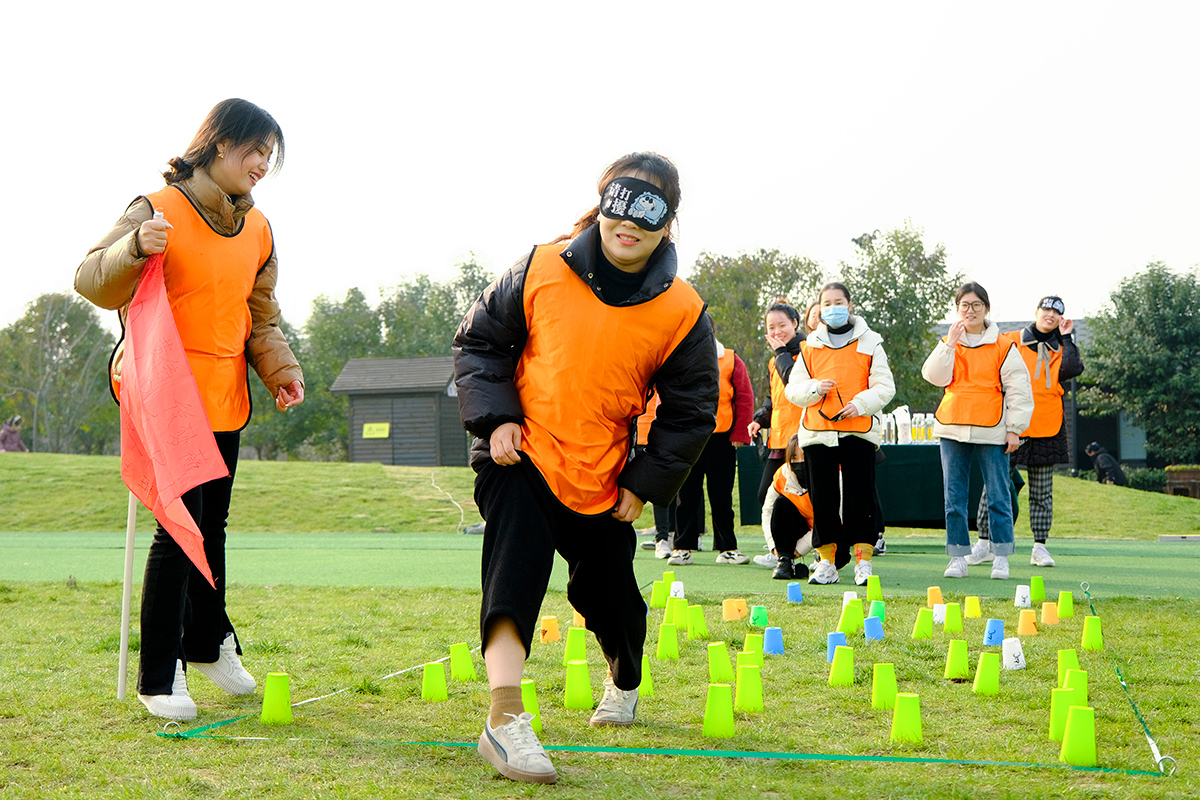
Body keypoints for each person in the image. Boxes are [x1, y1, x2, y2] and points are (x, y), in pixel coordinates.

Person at [453, 152, 718, 785]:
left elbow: (691, 411)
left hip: (604, 476)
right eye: (619, 203)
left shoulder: (683, 310)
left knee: (609, 595)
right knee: (514, 565)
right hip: (521, 454)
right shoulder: (541, 266)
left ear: (668, 225)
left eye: (649, 211)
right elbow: (479, 343)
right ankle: (505, 718)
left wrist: (646, 483)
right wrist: (497, 420)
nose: (629, 222)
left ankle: (625, 675)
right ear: (601, 204)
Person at [75, 99, 304, 721]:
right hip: (162, 386)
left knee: (212, 528)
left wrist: (281, 371)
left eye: (269, 156)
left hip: (224, 392)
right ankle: (159, 674)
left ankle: (207, 644)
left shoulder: (259, 229)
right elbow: (91, 280)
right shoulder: (156, 208)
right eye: (254, 150)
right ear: (218, 144)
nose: (262, 165)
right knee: (179, 529)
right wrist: (134, 249)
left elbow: (260, 314)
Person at [785, 282, 895, 586]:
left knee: (860, 499)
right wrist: (814, 388)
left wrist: (860, 405)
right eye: (826, 303)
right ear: (819, 308)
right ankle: (827, 562)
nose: (832, 308)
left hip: (858, 433)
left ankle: (863, 562)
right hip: (818, 435)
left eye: (838, 302)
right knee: (823, 500)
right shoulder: (808, 347)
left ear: (850, 305)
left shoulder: (871, 343)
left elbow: (885, 387)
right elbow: (792, 390)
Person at [923, 282, 1032, 580]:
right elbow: (933, 376)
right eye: (964, 305)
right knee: (953, 496)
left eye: (976, 305)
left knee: (999, 494)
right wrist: (948, 345)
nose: (970, 311)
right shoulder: (950, 340)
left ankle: (1002, 557)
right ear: (957, 309)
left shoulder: (1003, 345)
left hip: (992, 428)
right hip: (952, 426)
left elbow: (1019, 390)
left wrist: (1015, 429)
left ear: (986, 308)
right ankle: (957, 556)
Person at [968, 296, 1084, 568]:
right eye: (1046, 310)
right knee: (994, 486)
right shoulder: (1012, 339)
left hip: (1048, 425)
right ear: (1036, 312)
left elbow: (1071, 369)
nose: (1051, 315)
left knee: (1042, 492)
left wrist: (1066, 338)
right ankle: (984, 543)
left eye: (1057, 313)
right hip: (1010, 425)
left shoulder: (1061, 346)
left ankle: (1039, 547)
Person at [668, 337, 754, 566]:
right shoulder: (679, 357)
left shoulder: (731, 358)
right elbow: (667, 397)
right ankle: (682, 547)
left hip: (722, 439)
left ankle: (727, 548)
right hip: (688, 438)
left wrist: (739, 434)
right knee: (685, 496)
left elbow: (744, 397)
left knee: (722, 496)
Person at [747, 301, 806, 569]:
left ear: (795, 323)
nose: (777, 331)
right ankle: (780, 550)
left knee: (805, 496)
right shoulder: (774, 360)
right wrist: (759, 419)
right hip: (778, 439)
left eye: (782, 325)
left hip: (803, 439)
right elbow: (774, 397)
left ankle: (810, 551)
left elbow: (794, 381)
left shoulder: (808, 352)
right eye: (771, 327)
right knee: (766, 494)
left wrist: (782, 350)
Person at [761, 435, 815, 579]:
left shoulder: (830, 474)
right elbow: (767, 511)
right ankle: (784, 561)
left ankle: (824, 557)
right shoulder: (781, 475)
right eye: (794, 458)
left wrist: (801, 548)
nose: (800, 462)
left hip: (830, 530)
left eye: (804, 456)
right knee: (780, 504)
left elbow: (835, 518)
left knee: (841, 557)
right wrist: (774, 546)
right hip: (802, 525)